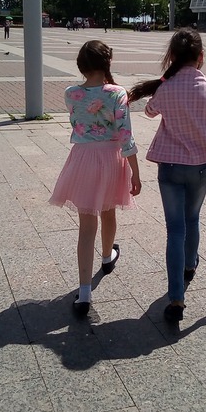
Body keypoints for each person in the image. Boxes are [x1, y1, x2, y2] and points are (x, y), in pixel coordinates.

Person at [128, 28, 206, 323]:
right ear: (201, 56)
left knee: (174, 230)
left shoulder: (166, 88)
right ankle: (189, 265)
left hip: (169, 168)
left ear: (172, 56)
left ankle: (176, 298)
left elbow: (149, 111)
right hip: (199, 168)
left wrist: (163, 83)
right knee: (193, 219)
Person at [49, 40, 142, 315]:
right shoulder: (117, 93)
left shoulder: (71, 94)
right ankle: (107, 256)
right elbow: (125, 135)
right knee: (108, 211)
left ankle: (84, 293)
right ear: (107, 63)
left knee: (86, 225)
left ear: (81, 65)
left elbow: (78, 123)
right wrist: (136, 172)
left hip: (82, 158)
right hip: (111, 157)